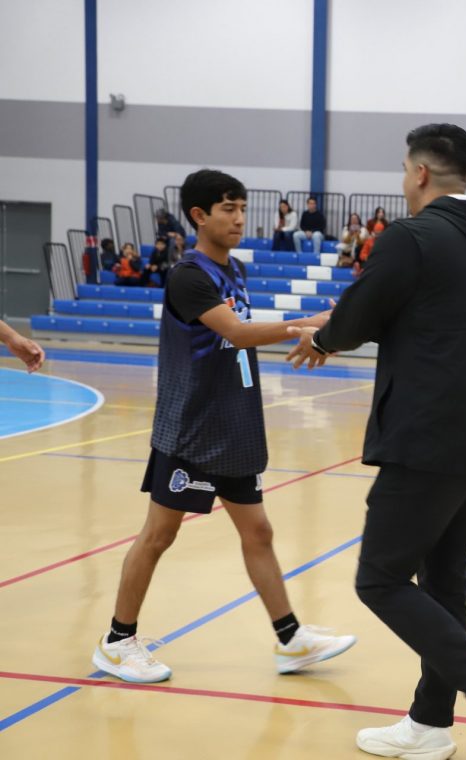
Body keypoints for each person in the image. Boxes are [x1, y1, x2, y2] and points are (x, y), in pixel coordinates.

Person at [285, 123, 466, 760]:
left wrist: (323, 337)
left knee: (380, 578)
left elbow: (362, 313)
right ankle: (430, 724)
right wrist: (347, 324)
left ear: (421, 173)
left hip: (429, 434)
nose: (404, 181)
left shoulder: (414, 235)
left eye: (405, 170)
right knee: (445, 578)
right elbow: (422, 311)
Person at [91, 169, 355, 686]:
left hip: (232, 427)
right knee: (159, 535)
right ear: (199, 215)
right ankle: (118, 643)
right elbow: (237, 332)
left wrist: (313, 323)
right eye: (228, 209)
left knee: (258, 531)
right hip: (192, 430)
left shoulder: (234, 269)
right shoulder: (189, 276)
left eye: (242, 208)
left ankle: (290, 639)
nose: (238, 219)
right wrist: (308, 325)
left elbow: (237, 337)